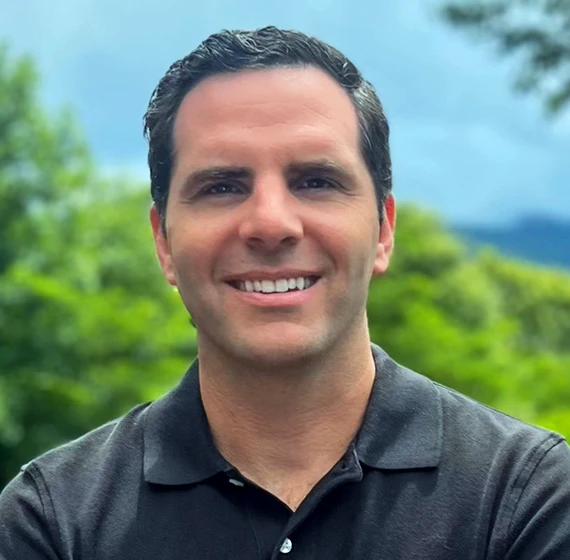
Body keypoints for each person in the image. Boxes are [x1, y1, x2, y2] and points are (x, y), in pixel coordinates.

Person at [1, 26, 569, 560]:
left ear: (383, 230)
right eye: (222, 186)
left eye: (316, 181)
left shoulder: (528, 499)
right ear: (164, 242)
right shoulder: (52, 523)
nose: (271, 224)